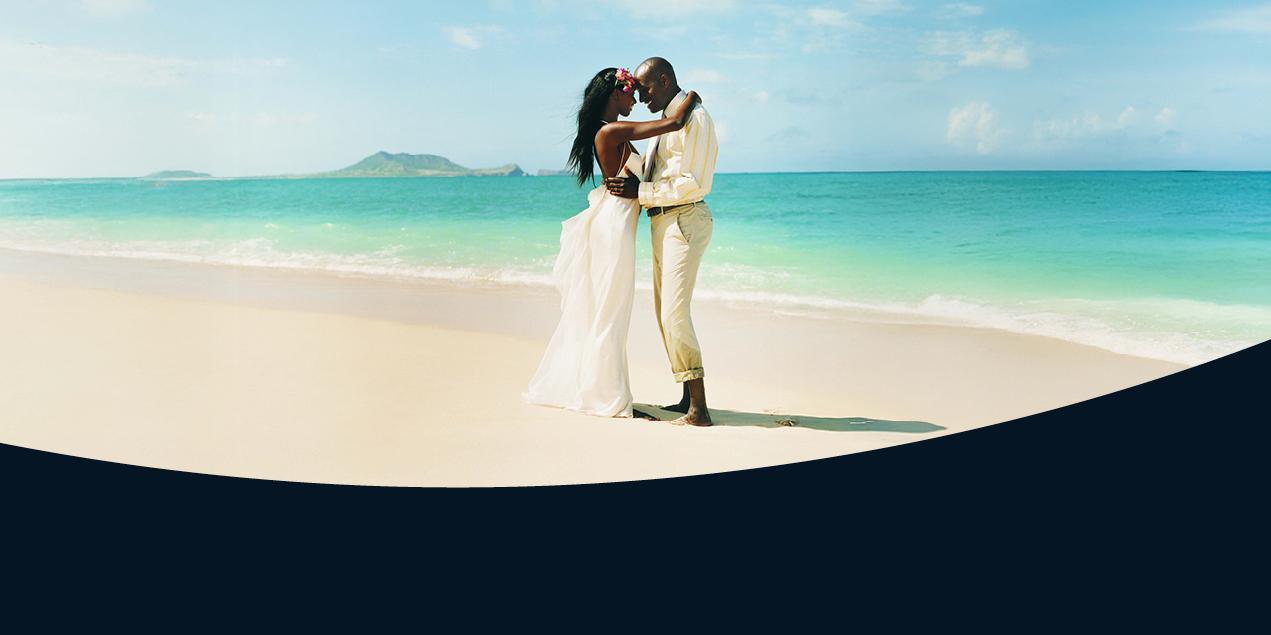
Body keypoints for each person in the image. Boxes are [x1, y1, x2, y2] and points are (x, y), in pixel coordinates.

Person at [525, 67, 700, 419]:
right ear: (613, 95)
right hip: (612, 231)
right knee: (611, 311)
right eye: (630, 90)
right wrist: (692, 97)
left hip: (617, 228)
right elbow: (674, 123)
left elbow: (645, 170)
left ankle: (606, 390)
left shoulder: (616, 133)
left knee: (611, 310)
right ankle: (610, 397)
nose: (635, 97)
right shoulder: (613, 131)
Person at [605, 57, 718, 426]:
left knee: (674, 312)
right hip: (663, 221)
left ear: (665, 80)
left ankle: (699, 410)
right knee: (663, 313)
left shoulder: (695, 119)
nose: (640, 96)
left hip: (684, 218)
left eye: (646, 88)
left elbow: (694, 182)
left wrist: (642, 191)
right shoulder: (671, 118)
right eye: (635, 90)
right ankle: (687, 398)